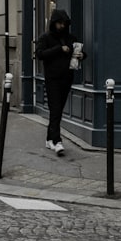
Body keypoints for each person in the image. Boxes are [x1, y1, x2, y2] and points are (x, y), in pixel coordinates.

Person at [35, 9, 83, 156]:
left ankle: (49, 139)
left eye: (64, 23)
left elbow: (76, 54)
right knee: (55, 109)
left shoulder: (71, 38)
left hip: (67, 78)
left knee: (58, 110)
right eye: (59, 23)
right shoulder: (46, 38)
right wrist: (58, 49)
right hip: (52, 79)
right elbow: (40, 54)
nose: (62, 26)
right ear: (54, 23)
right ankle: (57, 141)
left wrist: (82, 55)